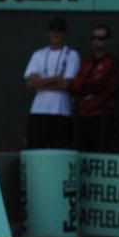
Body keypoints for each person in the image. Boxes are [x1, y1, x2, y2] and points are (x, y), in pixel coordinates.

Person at [24, 17, 80, 149]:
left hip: (61, 111)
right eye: (53, 31)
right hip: (38, 110)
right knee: (35, 148)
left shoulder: (71, 55)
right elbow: (30, 83)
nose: (56, 35)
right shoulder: (38, 54)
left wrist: (41, 82)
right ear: (48, 33)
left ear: (64, 34)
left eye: (59, 32)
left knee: (59, 149)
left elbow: (66, 84)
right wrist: (55, 78)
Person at [70, 24, 119, 153]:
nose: (97, 41)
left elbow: (102, 84)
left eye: (101, 38)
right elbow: (75, 85)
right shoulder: (86, 63)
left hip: (102, 117)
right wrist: (86, 87)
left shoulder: (112, 63)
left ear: (108, 41)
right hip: (83, 116)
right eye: (94, 38)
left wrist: (85, 87)